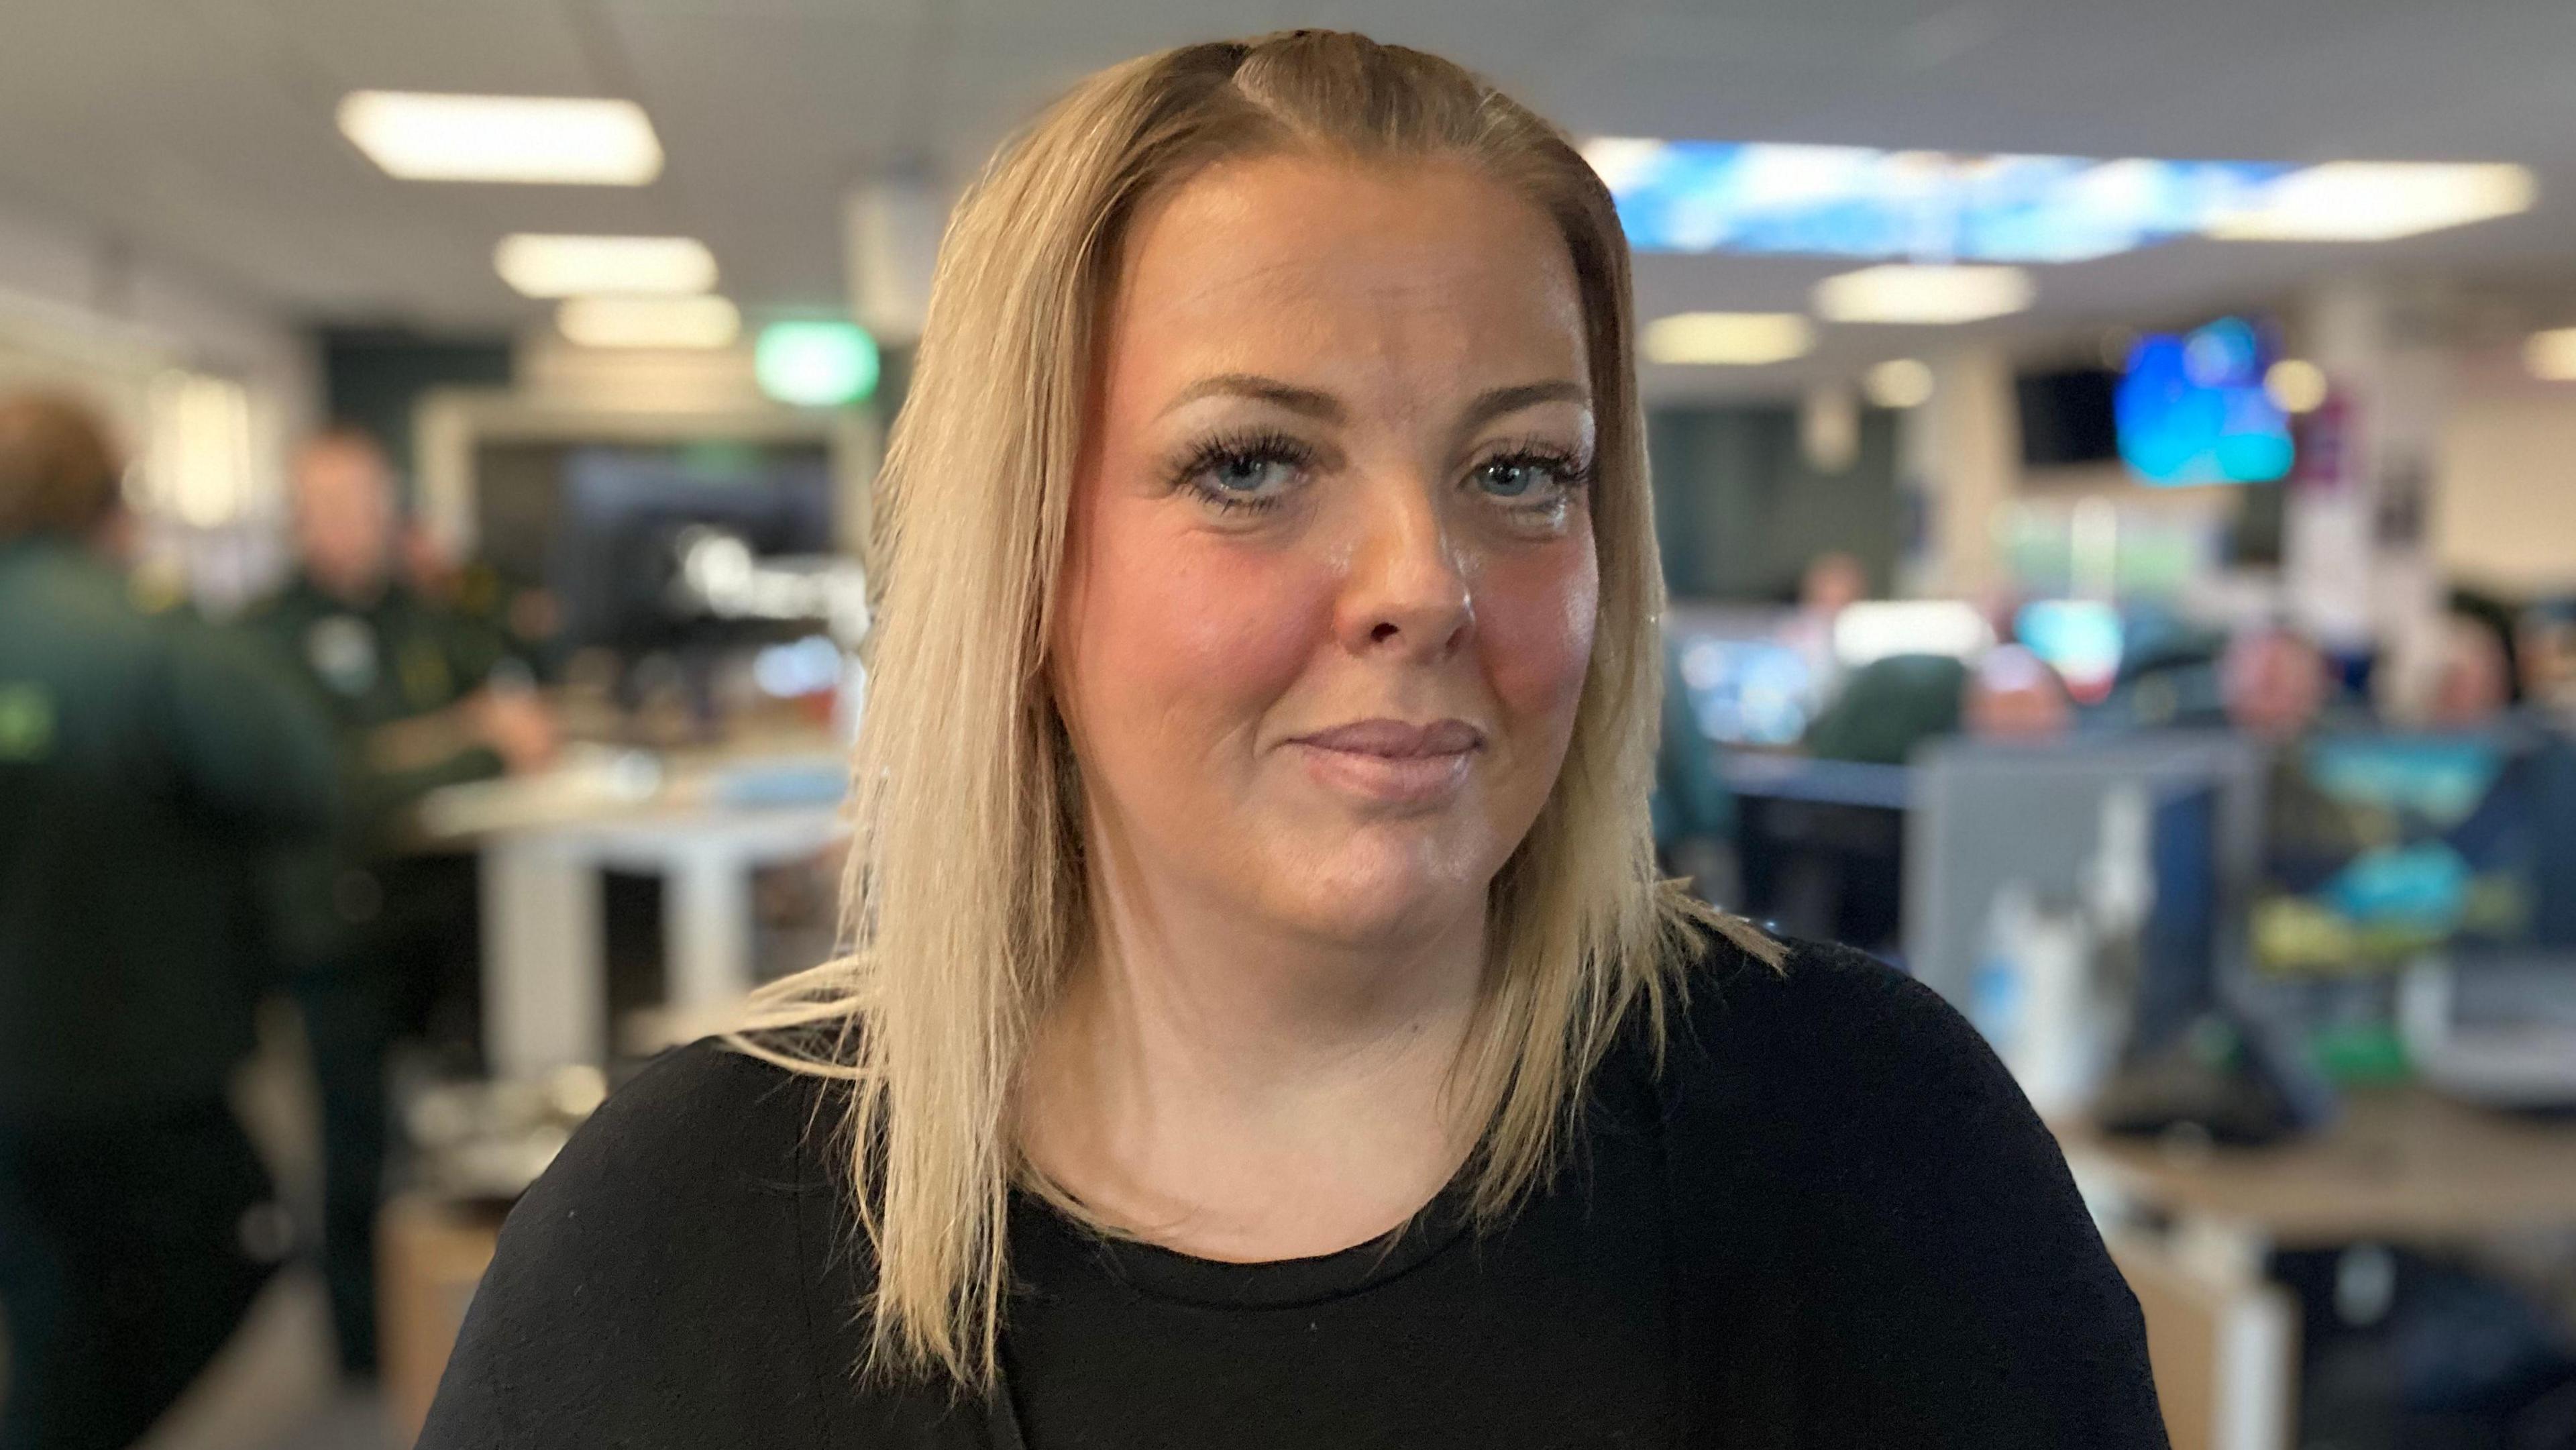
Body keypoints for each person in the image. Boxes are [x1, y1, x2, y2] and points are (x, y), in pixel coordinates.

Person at [422, 32, 2165, 1448]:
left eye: (1520, 471)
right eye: (1252, 464)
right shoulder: (675, 1245)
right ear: (1024, 558)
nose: (1426, 583)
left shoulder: (1879, 1154)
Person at [0, 395, 339, 1449]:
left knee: (53, 1308)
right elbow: (304, 776)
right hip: (132, 1061)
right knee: (220, 1254)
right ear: (112, 495)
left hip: (31, 1079)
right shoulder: (144, 638)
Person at [248, 427, 555, 1380]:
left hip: (448, 916)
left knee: (485, 1127)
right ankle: (365, 1361)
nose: (353, 527)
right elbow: (341, 780)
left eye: (369, 505)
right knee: (354, 1148)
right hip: (337, 928)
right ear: (297, 516)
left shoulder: (425, 617)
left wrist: (437, 738)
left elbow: (520, 715)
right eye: (330, 506)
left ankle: (496, 1341)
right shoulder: (261, 637)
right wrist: (463, 741)